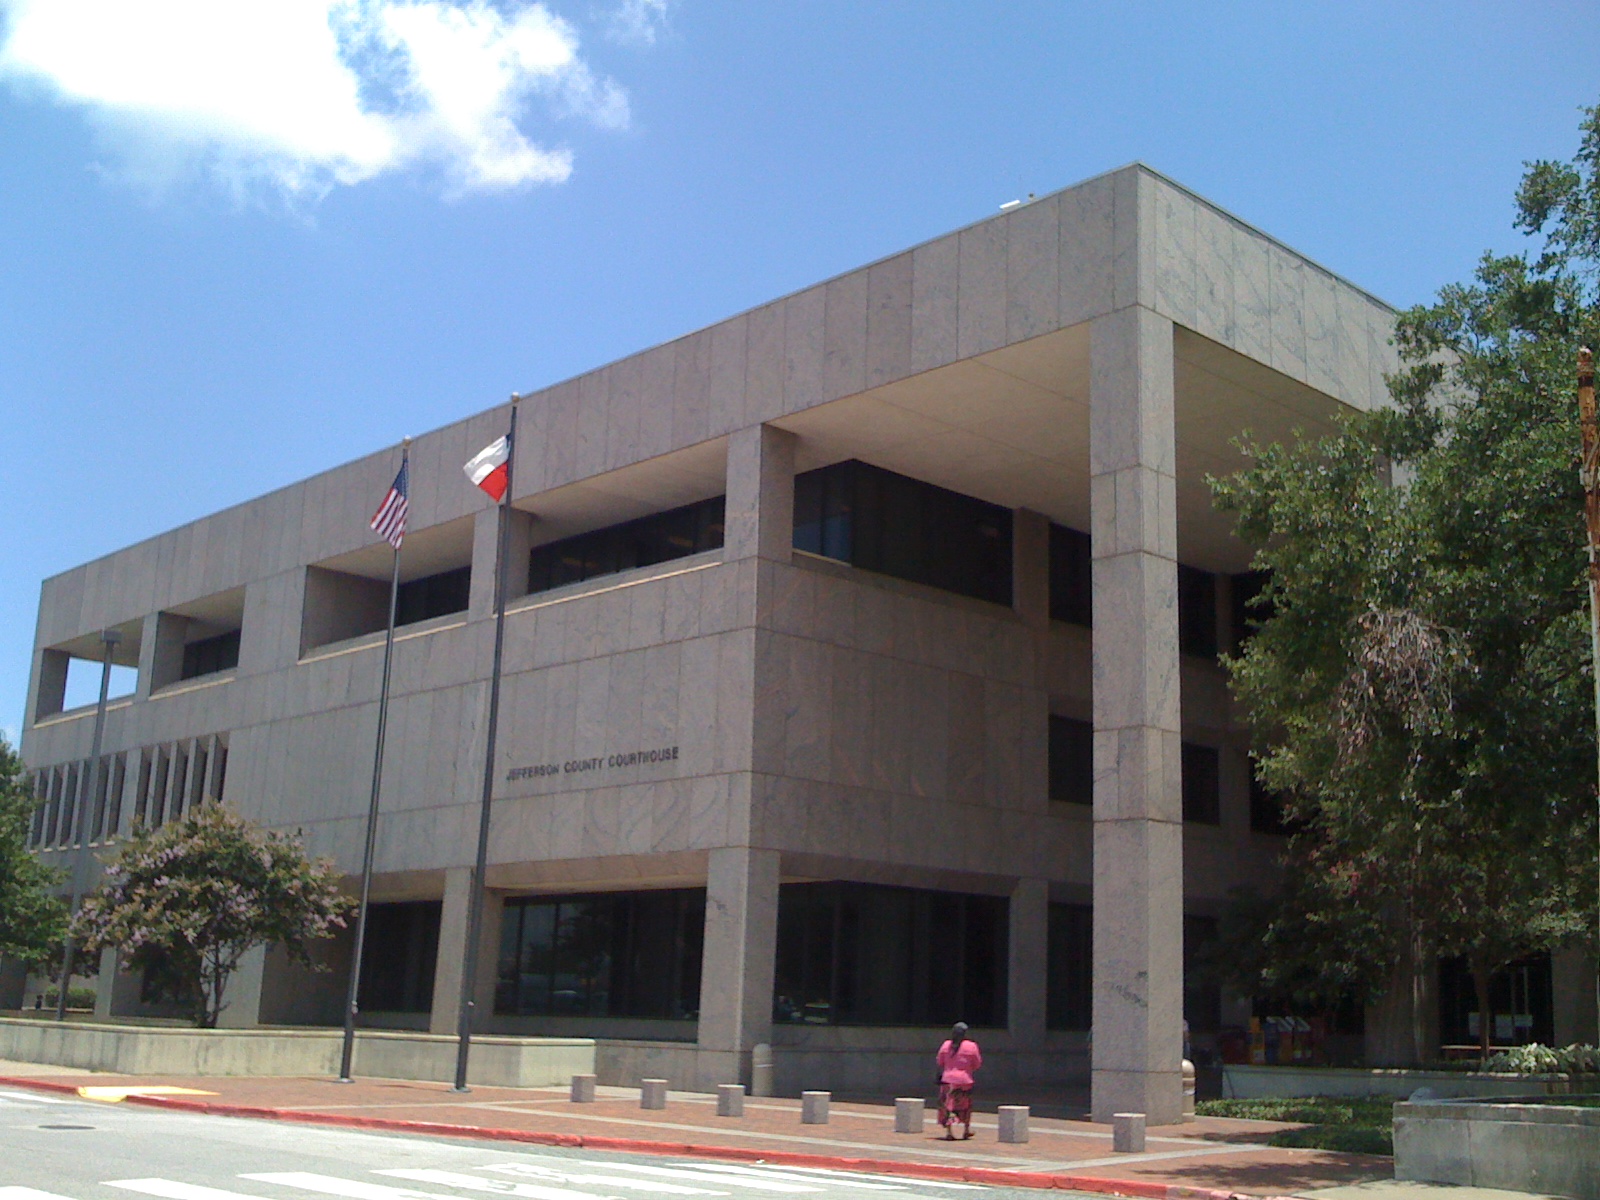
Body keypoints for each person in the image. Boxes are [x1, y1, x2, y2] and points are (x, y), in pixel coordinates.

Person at [935, 1021, 981, 1140]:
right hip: (965, 1080)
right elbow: (977, 1063)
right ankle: (966, 1130)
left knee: (948, 1105)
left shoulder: (946, 1045)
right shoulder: (971, 1046)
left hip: (948, 1080)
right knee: (965, 1105)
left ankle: (949, 1132)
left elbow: (940, 1061)